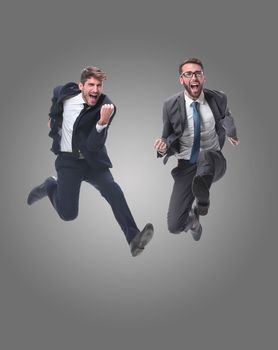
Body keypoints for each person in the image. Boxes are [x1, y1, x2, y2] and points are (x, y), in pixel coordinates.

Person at [27, 66, 154, 257]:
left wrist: (102, 122)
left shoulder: (107, 107)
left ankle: (133, 238)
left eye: (99, 85)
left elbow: (93, 145)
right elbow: (55, 93)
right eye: (91, 85)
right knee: (68, 214)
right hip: (68, 162)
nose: (95, 90)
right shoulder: (66, 92)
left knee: (113, 189)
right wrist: (53, 118)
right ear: (81, 86)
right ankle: (49, 184)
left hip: (93, 161)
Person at [154, 58, 239, 241]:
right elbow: (167, 136)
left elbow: (227, 117)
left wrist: (232, 133)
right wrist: (162, 147)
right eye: (188, 74)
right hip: (186, 165)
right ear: (182, 80)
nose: (194, 77)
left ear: (203, 77)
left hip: (213, 160)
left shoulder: (218, 98)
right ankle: (194, 221)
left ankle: (202, 202)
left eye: (198, 73)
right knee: (174, 226)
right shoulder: (170, 105)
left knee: (204, 154)